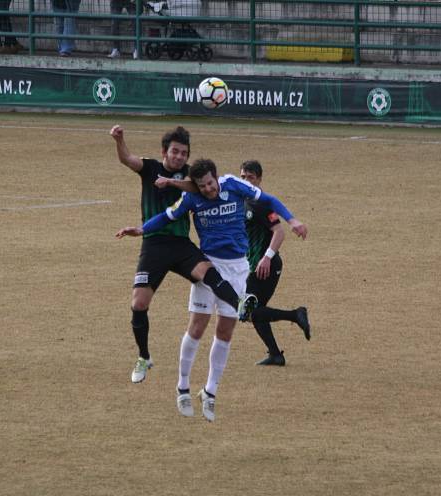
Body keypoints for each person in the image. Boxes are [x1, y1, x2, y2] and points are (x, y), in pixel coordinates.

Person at [116, 158, 308, 422]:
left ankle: (210, 391)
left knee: (225, 330)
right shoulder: (191, 198)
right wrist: (141, 229)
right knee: (197, 326)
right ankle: (182, 386)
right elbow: (166, 216)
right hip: (209, 267)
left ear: (216, 177)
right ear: (196, 186)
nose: (208, 189)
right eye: (202, 186)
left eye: (210, 183)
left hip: (239, 268)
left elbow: (270, 200)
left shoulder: (233, 184)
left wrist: (292, 219)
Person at [110, 125, 255, 386]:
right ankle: (144, 357)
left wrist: (178, 182)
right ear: (164, 151)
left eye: (183, 153)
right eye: (175, 151)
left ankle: (240, 304)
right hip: (154, 244)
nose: (178, 156)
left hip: (180, 242)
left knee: (208, 273)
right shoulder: (150, 167)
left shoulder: (191, 178)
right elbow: (126, 159)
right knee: (139, 303)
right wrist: (119, 140)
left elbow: (203, 186)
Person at [240, 160, 311, 366]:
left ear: (260, 179)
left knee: (250, 311)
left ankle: (296, 315)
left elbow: (278, 233)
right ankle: (275, 355)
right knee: (254, 311)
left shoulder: (261, 204)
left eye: (250, 177)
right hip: (252, 265)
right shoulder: (241, 199)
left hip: (266, 267)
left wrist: (267, 257)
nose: (246, 181)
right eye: (243, 177)